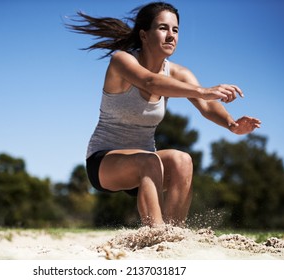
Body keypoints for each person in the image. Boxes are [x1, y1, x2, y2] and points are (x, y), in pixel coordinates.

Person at [68, 2, 261, 228]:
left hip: (150, 168)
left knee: (182, 160)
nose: (171, 36)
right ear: (144, 35)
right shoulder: (122, 60)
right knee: (149, 160)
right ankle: (156, 233)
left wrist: (231, 124)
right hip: (105, 162)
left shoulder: (179, 73)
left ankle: (173, 237)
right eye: (163, 28)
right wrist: (203, 90)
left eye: (175, 30)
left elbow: (207, 107)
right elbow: (150, 82)